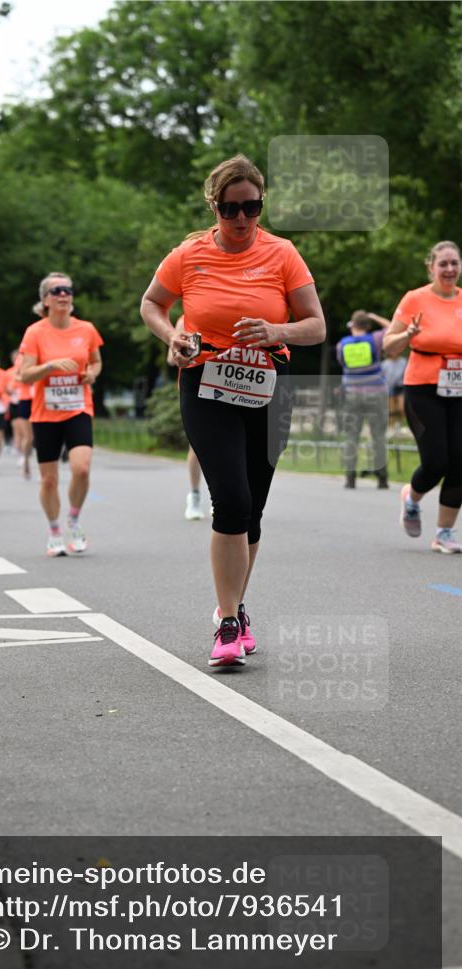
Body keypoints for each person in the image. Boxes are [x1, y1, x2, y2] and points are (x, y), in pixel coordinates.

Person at [140, 153, 325, 668]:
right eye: (231, 209)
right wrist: (173, 334)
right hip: (207, 382)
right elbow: (151, 304)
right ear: (214, 206)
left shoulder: (283, 254)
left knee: (254, 508)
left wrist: (277, 331)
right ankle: (226, 623)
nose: (242, 219)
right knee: (231, 497)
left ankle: (238, 607)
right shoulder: (188, 255)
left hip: (268, 382)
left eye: (252, 207)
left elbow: (316, 325)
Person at [383, 240, 462, 554]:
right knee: (436, 460)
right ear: (431, 267)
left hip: (459, 389)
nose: (449, 269)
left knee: (460, 461)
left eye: (454, 263)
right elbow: (389, 346)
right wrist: (407, 335)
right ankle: (412, 498)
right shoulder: (415, 299)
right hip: (422, 388)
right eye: (442, 263)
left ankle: (444, 533)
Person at [20, 271, 103, 556]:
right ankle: (55, 529)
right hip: (45, 413)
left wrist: (91, 375)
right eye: (56, 291)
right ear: (45, 299)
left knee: (81, 467)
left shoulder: (86, 329)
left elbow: (96, 362)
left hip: (78, 407)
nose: (64, 295)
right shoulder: (35, 333)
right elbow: (25, 375)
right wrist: (50, 367)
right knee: (49, 479)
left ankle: (74, 520)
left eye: (68, 289)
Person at [336, 309, 390, 489]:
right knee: (378, 437)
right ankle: (382, 479)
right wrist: (375, 316)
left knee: (351, 437)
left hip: (352, 395)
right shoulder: (374, 340)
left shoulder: (341, 345)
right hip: (376, 394)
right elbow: (391, 328)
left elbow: (342, 365)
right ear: (367, 326)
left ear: (353, 325)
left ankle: (350, 479)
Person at [167, 317, 209, 520]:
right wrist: (186, 348)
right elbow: (170, 358)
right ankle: (194, 496)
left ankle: (222, 497)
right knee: (198, 445)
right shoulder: (185, 320)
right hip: (195, 389)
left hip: (225, 386)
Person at [6, 348, 34, 479]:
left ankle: (43, 467)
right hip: (24, 400)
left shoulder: (45, 353)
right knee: (27, 436)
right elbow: (16, 377)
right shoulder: (21, 359)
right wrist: (25, 378)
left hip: (40, 399)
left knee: (40, 436)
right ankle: (26, 461)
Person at [381, 354, 407, 429]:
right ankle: (392, 426)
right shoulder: (385, 364)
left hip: (400, 387)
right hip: (389, 388)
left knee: (401, 408)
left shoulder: (403, 362)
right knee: (391, 409)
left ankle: (400, 425)